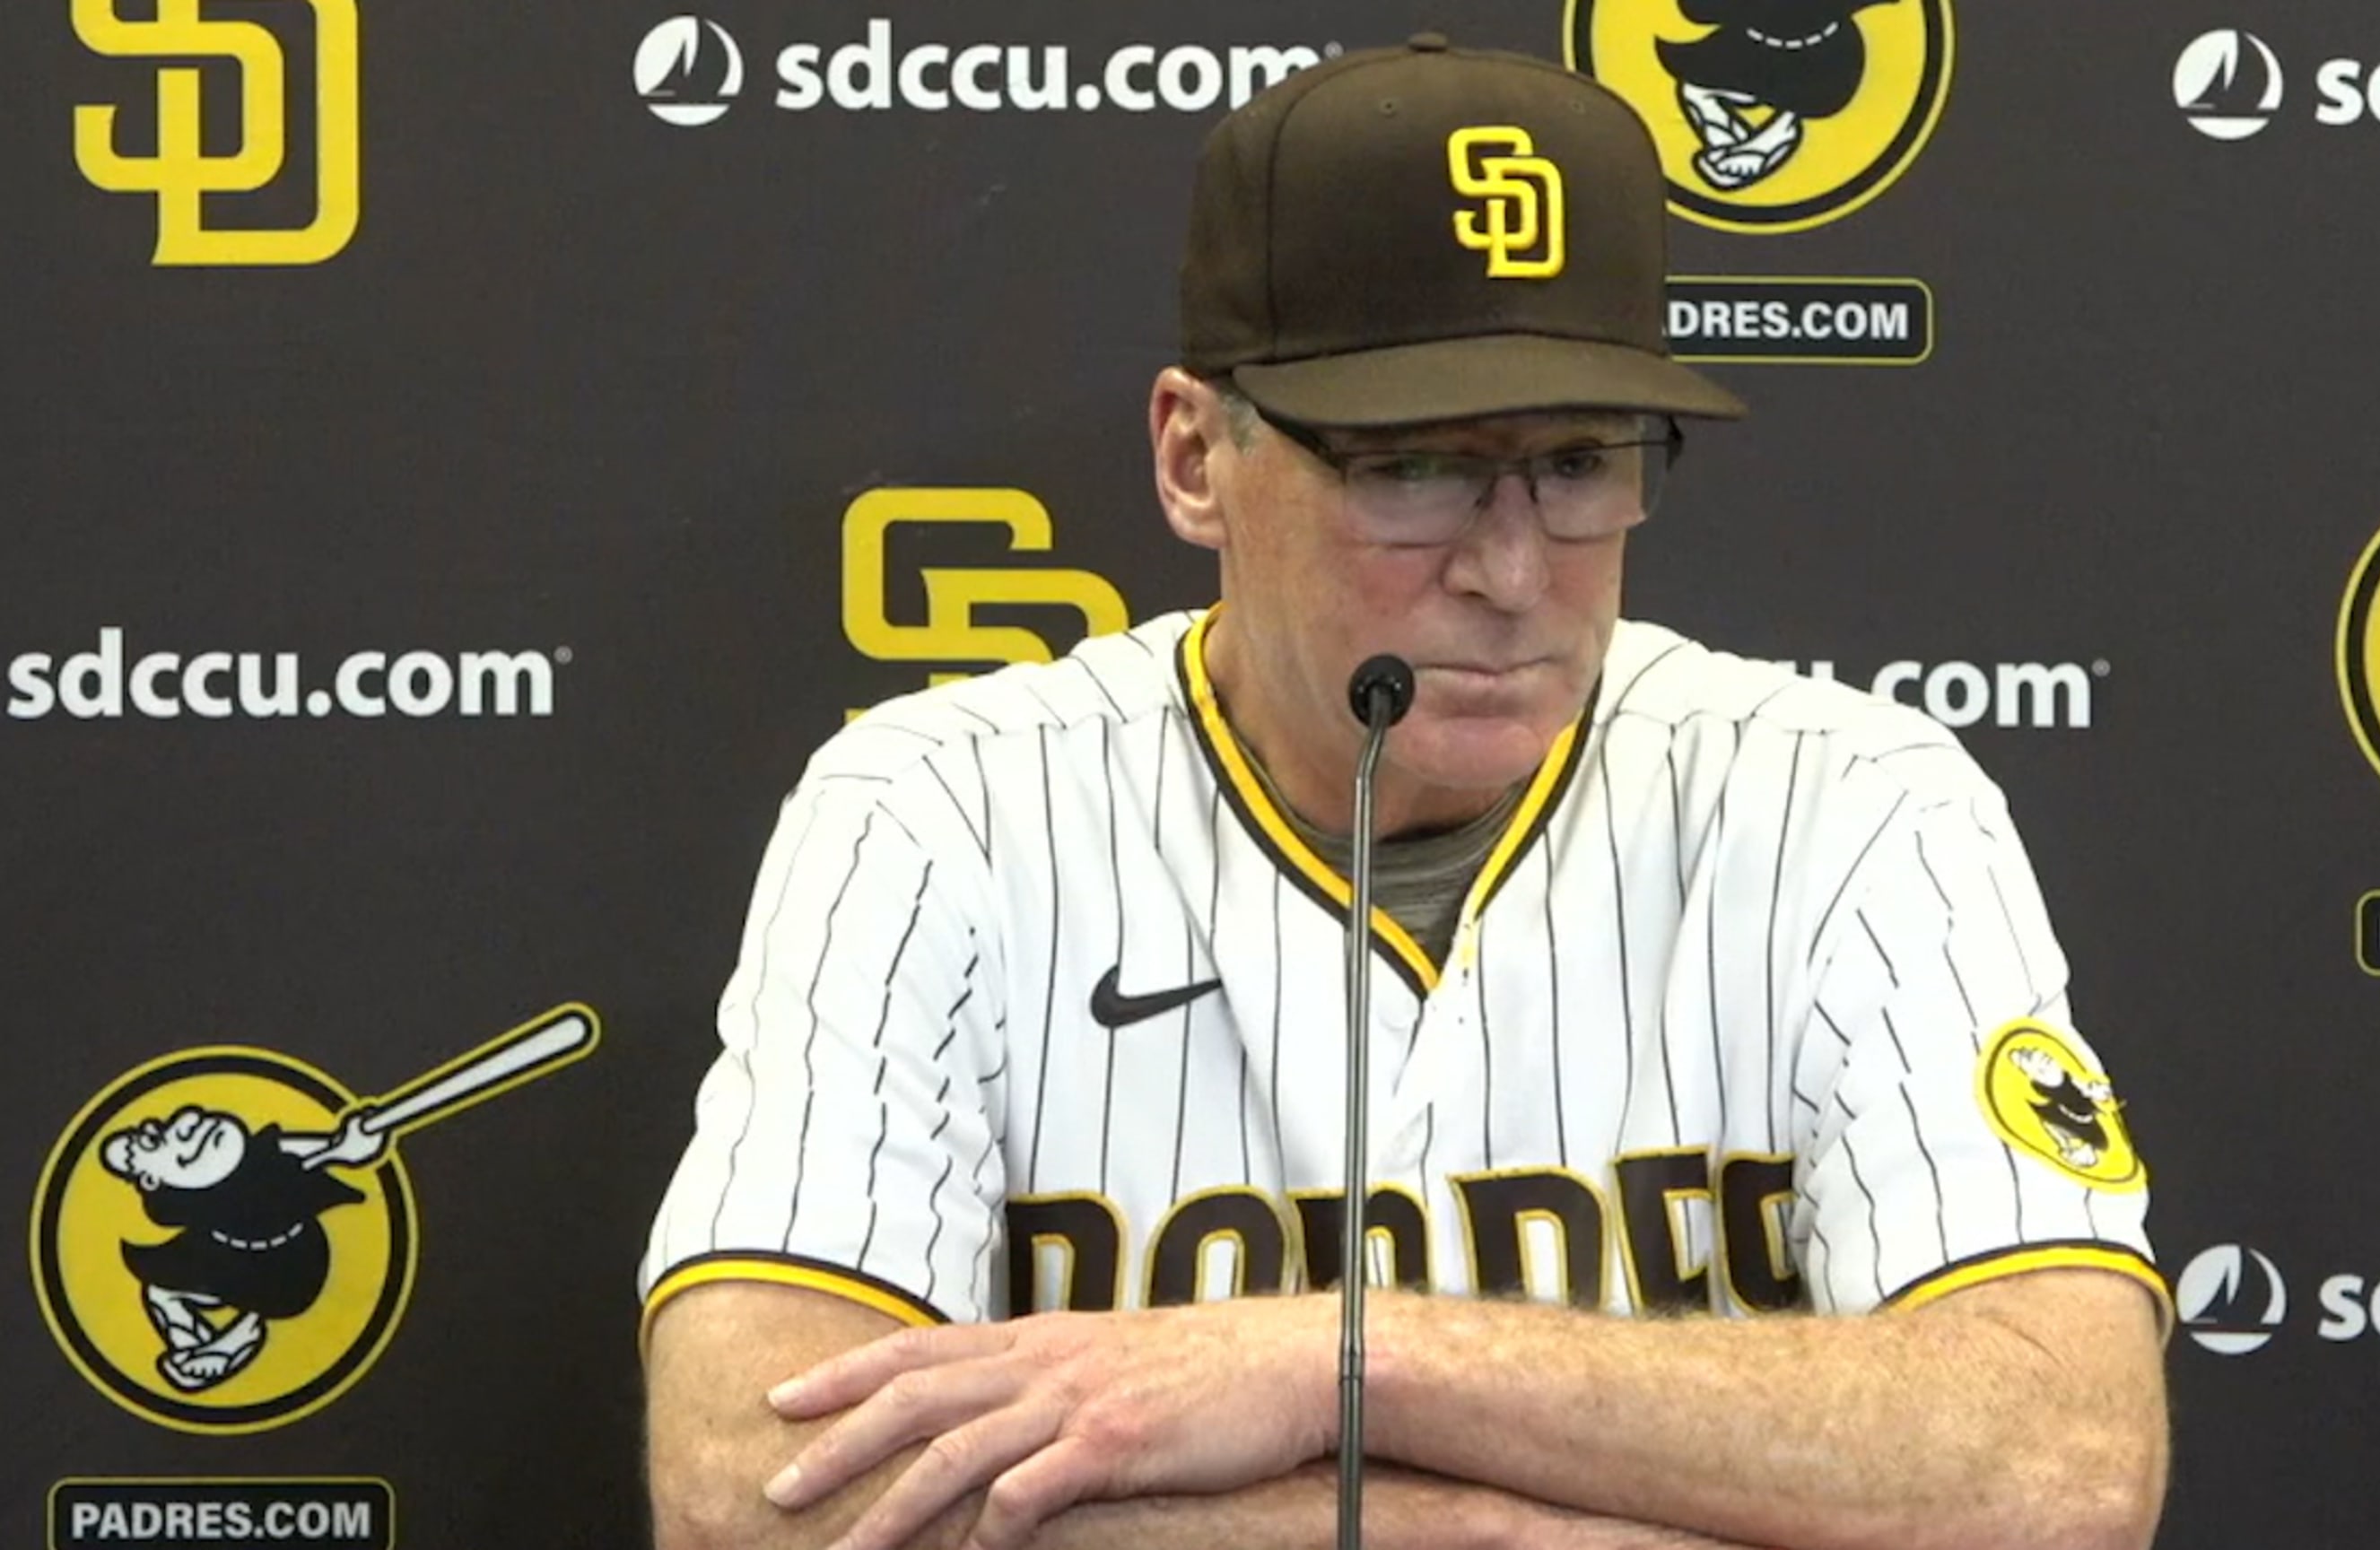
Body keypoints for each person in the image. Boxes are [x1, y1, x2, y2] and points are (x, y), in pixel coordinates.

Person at [640, 34, 2169, 1550]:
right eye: (1412, 469)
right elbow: (756, 1495)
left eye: (1579, 463)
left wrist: (1331, 1366)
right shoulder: (939, 813)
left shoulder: (1854, 807)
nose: (1511, 573)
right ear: (1194, 457)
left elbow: (2056, 1467)